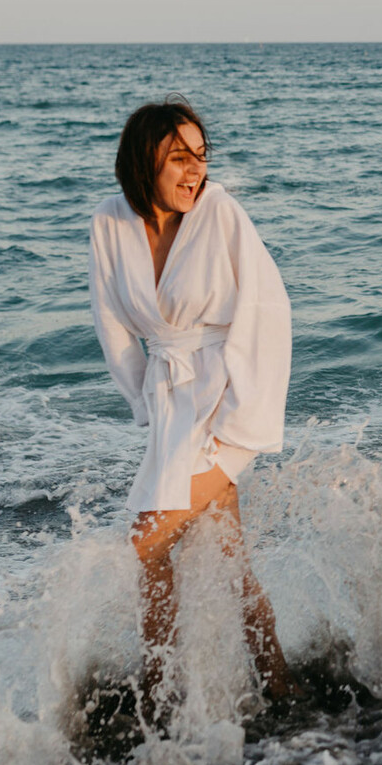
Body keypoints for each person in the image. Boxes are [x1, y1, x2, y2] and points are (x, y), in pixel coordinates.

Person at [88, 96, 296, 705]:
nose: (194, 171)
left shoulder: (221, 213)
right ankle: (276, 686)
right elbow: (113, 326)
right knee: (230, 565)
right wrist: (148, 408)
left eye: (200, 156)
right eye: (179, 157)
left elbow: (267, 315)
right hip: (171, 407)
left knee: (145, 544)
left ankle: (159, 694)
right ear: (143, 159)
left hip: (227, 405)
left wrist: (238, 427)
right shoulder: (109, 222)